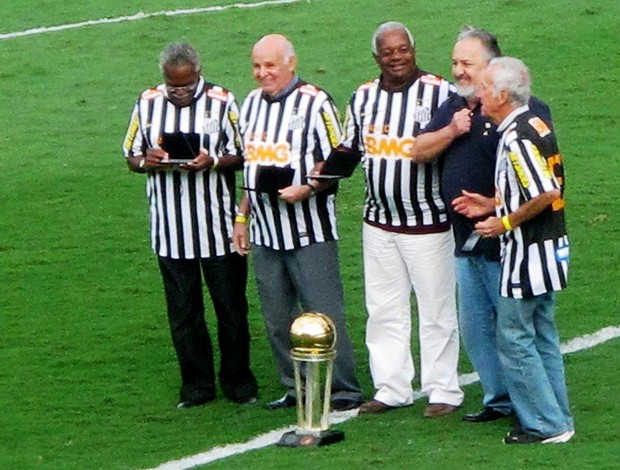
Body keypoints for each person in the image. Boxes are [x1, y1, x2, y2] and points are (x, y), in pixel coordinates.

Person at [411, 26, 552, 423]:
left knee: (515, 332)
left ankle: (531, 406)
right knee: (476, 329)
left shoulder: (527, 112)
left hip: (508, 241)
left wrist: (493, 205)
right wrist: (451, 129)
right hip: (464, 240)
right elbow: (418, 150)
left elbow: (541, 184)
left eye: (466, 63)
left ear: (493, 68)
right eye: (455, 62)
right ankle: (498, 397)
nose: (458, 71)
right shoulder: (456, 107)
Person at [322, 21, 463, 417]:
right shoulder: (364, 97)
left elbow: (457, 147)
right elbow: (349, 149)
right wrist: (318, 176)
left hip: (429, 221)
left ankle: (443, 390)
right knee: (384, 308)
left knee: (436, 311)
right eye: (388, 52)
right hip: (378, 221)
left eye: (403, 49)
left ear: (414, 50)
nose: (397, 57)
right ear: (376, 57)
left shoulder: (440, 93)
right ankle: (392, 387)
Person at [122, 42, 257, 409]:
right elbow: (130, 153)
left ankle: (238, 382)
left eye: (187, 86)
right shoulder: (147, 102)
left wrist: (211, 161)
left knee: (231, 310)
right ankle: (196, 386)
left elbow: (245, 153)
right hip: (170, 231)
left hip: (218, 228)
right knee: (183, 315)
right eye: (173, 86)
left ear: (199, 74)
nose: (180, 93)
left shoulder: (223, 101)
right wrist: (146, 160)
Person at [232, 34, 363, 412]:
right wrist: (243, 214)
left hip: (310, 230)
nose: (262, 73)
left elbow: (340, 160)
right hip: (267, 231)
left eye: (270, 65)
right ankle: (295, 387)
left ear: (291, 63)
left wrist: (307, 187)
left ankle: (342, 390)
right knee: (276, 318)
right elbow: (250, 168)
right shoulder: (252, 103)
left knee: (323, 313)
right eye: (257, 66)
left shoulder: (315, 102)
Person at [452, 57, 574, 444]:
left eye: (486, 87)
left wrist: (502, 222)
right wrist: (493, 203)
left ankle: (544, 424)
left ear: (502, 95)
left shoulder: (516, 136)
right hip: (550, 248)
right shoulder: (534, 123)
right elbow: (538, 184)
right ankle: (558, 416)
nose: (480, 92)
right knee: (541, 336)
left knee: (516, 338)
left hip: (528, 253)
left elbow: (544, 192)